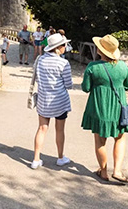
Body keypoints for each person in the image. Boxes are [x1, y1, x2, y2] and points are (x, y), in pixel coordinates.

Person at [81, 35, 128, 183]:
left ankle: (103, 172)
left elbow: (86, 88)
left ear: (100, 50)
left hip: (99, 107)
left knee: (100, 141)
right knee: (120, 138)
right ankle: (117, 171)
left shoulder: (93, 67)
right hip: (118, 108)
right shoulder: (123, 66)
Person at [31, 33, 73, 169]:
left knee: (42, 128)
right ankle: (60, 157)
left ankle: (36, 159)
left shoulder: (40, 60)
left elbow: (37, 78)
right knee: (60, 130)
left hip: (44, 99)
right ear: (58, 47)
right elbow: (69, 84)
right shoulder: (63, 63)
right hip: (60, 100)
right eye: (64, 44)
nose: (65, 47)